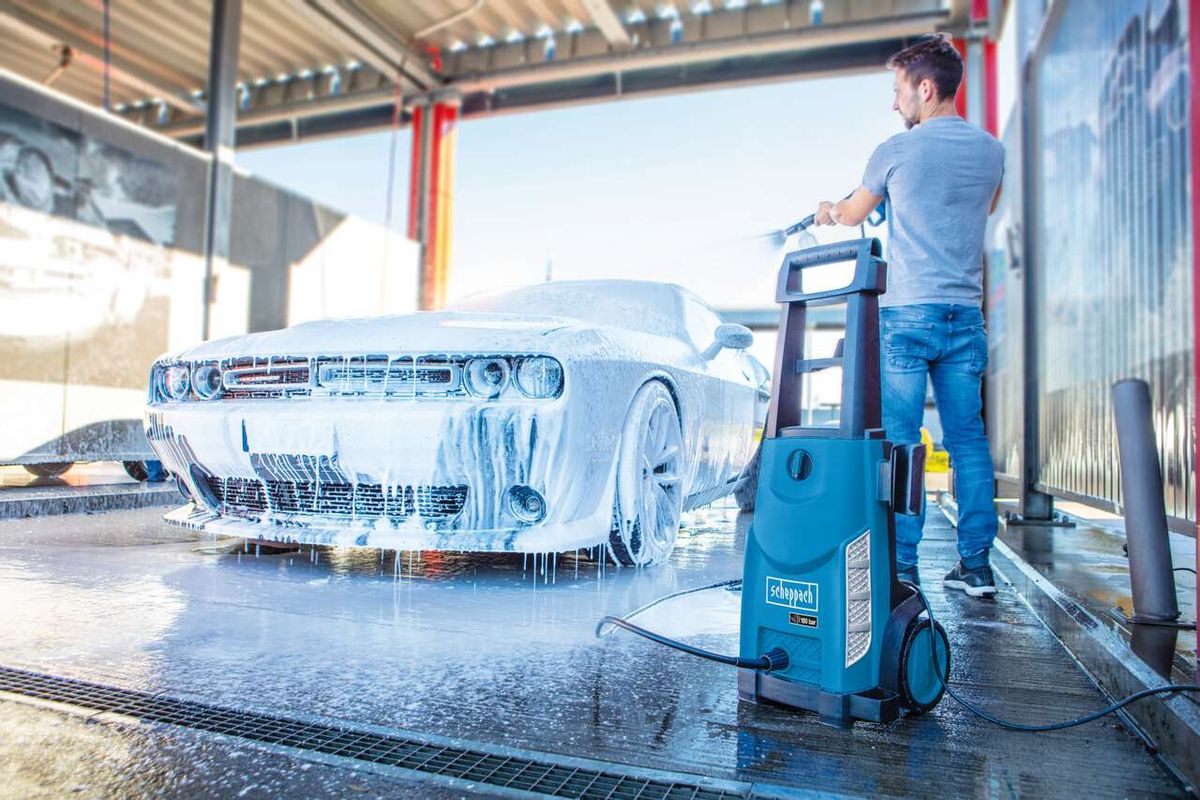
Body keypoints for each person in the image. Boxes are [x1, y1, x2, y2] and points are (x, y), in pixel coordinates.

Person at [813, 34, 1005, 597]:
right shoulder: (992, 151)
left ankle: (903, 565)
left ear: (926, 88)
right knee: (968, 439)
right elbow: (979, 206)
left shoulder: (895, 152)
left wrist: (829, 209)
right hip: (964, 316)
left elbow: (852, 214)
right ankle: (976, 566)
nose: (894, 104)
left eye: (899, 91)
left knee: (902, 442)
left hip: (908, 315)